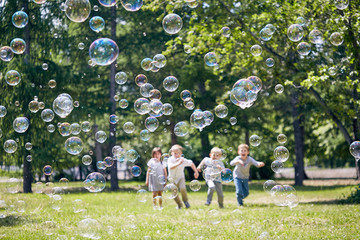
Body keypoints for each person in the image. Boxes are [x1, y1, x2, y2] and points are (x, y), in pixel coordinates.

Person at [168, 144, 199, 209]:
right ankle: (179, 204)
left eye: (178, 153)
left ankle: (185, 201)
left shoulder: (183, 160)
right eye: (175, 153)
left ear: (181, 153)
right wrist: (178, 163)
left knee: (183, 188)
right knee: (174, 192)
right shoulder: (170, 160)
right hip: (172, 178)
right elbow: (171, 167)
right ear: (171, 153)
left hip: (180, 177)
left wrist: (196, 171)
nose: (177, 155)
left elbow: (191, 163)